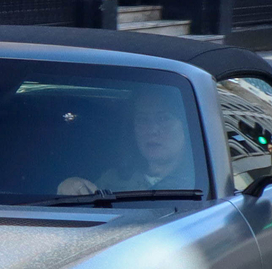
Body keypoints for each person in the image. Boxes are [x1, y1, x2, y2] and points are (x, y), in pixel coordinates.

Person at [58, 83, 198, 196]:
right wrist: (69, 186)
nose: (152, 129)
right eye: (142, 120)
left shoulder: (200, 182)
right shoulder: (113, 179)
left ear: (186, 126)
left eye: (163, 118)